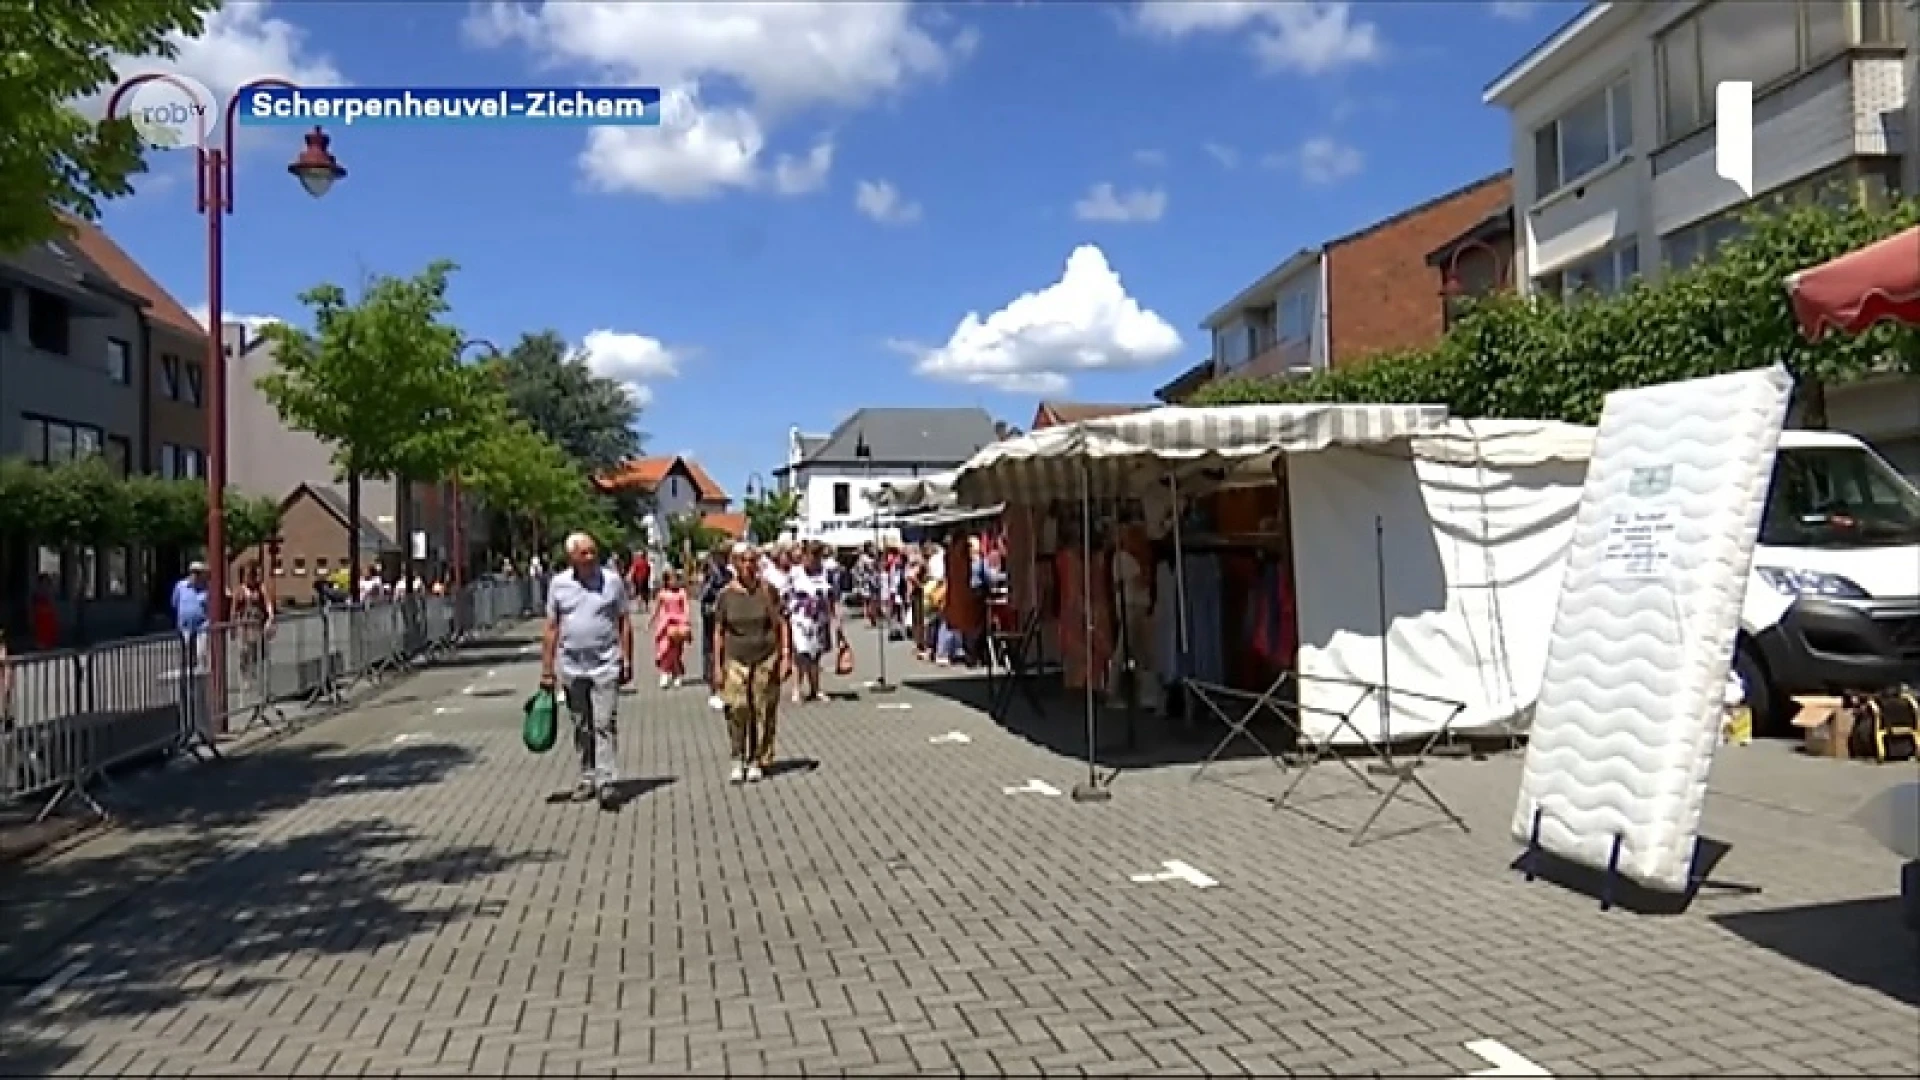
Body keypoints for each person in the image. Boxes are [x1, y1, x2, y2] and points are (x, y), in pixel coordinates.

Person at [540, 532, 634, 810]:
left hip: (606, 663)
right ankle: (587, 776)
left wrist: (627, 659)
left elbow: (624, 621)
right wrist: (547, 669)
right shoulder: (559, 585)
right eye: (585, 553)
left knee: (604, 723)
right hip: (572, 665)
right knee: (582, 725)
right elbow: (552, 627)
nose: (591, 558)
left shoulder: (612, 581)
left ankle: (606, 781)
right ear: (572, 557)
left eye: (594, 552)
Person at [712, 542, 789, 784]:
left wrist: (785, 654)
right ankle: (737, 756)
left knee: (762, 709)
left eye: (752, 560)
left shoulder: (768, 591)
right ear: (735, 564)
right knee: (737, 708)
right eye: (743, 560)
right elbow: (718, 631)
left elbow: (781, 624)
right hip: (735, 658)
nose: (748, 565)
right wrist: (716, 665)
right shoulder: (725, 595)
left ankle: (757, 758)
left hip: (765, 656)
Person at [784, 543, 840, 704]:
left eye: (818, 556)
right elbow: (785, 595)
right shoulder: (795, 573)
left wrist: (835, 618)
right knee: (800, 655)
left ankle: (816, 689)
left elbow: (831, 596)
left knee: (816, 655)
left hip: (819, 618)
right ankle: (796, 689)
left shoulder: (825, 573)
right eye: (811, 555)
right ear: (804, 556)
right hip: (800, 619)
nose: (814, 560)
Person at [233, 564, 275, 687]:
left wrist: (270, 617)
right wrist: (233, 627)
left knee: (257, 650)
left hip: (257, 625)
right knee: (244, 651)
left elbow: (268, 603)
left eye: (252, 575)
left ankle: (255, 671)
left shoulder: (260, 588)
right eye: (247, 576)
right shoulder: (239, 590)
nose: (250, 578)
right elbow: (234, 609)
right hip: (244, 626)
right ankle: (245, 675)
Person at [651, 568, 692, 689]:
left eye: (676, 579)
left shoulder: (681, 592)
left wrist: (687, 619)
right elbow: (657, 609)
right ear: (667, 581)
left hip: (679, 623)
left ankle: (677, 674)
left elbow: (686, 607)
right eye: (671, 579)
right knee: (665, 650)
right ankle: (664, 672)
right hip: (666, 624)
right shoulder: (662, 593)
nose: (674, 582)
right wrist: (651, 620)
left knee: (676, 651)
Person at [696, 547, 733, 683]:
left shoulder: (728, 574)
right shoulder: (707, 574)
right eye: (719, 557)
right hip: (709, 611)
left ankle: (723, 667)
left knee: (724, 640)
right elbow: (702, 594)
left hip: (725, 611)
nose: (721, 560)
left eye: (724, 557)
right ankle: (709, 671)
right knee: (709, 642)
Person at [29, 575, 59, 652]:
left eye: (46, 582)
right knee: (40, 637)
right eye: (43, 582)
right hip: (40, 618)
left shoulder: (50, 593)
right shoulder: (36, 594)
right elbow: (32, 607)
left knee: (49, 636)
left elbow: (53, 605)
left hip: (48, 618)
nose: (44, 584)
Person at [629, 549, 653, 613]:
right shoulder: (646, 563)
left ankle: (639, 608)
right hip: (645, 580)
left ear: (640, 556)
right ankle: (646, 607)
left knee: (639, 593)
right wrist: (647, 578)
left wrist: (631, 579)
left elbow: (633, 571)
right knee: (645, 593)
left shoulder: (637, 562)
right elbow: (649, 571)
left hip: (638, 580)